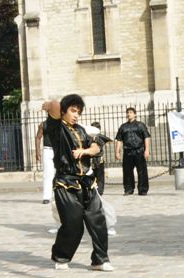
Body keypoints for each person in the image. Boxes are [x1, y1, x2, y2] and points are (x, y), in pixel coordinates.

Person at [42, 94, 113, 272]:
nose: (76, 115)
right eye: (73, 110)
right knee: (73, 224)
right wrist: (48, 104)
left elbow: (97, 146)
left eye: (78, 112)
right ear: (64, 111)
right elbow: (55, 105)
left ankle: (100, 259)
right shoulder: (56, 129)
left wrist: (85, 151)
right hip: (65, 183)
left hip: (86, 182)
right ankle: (61, 256)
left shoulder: (81, 130)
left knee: (98, 221)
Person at [115, 107, 151, 196]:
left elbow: (146, 137)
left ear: (135, 114)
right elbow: (119, 139)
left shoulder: (140, 125)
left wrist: (147, 150)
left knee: (142, 171)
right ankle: (128, 189)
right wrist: (117, 152)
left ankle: (142, 190)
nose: (129, 114)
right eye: (127, 112)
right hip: (127, 152)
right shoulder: (123, 127)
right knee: (127, 172)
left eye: (131, 112)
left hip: (139, 151)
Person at [35, 114, 55, 204]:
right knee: (47, 174)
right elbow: (38, 138)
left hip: (59, 150)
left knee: (60, 173)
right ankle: (46, 197)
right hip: (47, 150)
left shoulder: (61, 124)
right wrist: (37, 151)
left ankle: (59, 195)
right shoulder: (43, 124)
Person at [90, 121, 112, 195]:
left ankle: (100, 191)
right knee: (91, 175)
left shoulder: (100, 136)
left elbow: (109, 140)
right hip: (90, 159)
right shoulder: (88, 137)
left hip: (99, 158)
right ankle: (92, 190)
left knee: (100, 175)